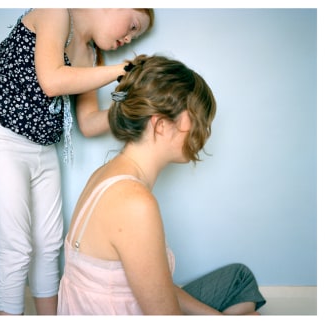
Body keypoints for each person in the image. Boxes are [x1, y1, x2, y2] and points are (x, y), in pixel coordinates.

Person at [0, 8, 154, 315]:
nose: (128, 38)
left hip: (43, 149)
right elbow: (52, 81)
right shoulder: (55, 11)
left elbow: (90, 122)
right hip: (1, 140)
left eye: (135, 36)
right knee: (16, 247)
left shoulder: (91, 55)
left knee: (50, 244)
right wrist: (123, 70)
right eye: (132, 25)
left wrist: (140, 107)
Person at [57, 54, 266, 315]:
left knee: (239, 277)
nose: (204, 133)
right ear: (161, 124)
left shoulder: (105, 175)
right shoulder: (134, 202)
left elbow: (154, 285)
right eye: (199, 121)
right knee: (250, 311)